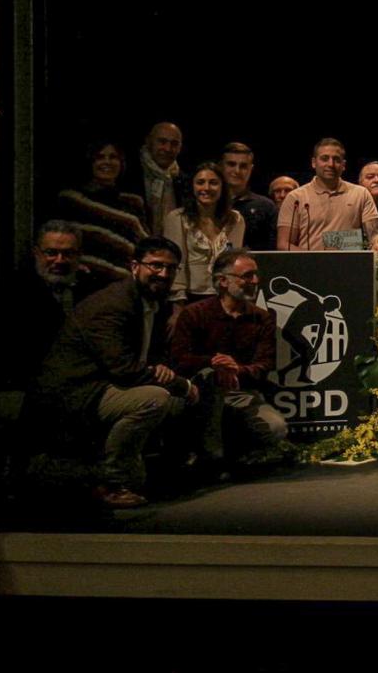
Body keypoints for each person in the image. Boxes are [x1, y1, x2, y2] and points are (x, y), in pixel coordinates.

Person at [35, 236, 195, 508]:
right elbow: (123, 370)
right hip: (74, 392)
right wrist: (182, 385)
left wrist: (164, 371)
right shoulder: (113, 304)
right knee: (156, 398)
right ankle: (111, 481)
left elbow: (146, 357)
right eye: (155, 266)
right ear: (135, 266)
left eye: (171, 268)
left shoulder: (153, 303)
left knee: (178, 398)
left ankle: (159, 471)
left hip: (105, 385)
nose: (163, 274)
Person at [166, 248, 292, 468]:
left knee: (276, 427)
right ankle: (211, 461)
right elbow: (179, 359)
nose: (255, 281)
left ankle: (233, 452)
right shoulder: (195, 313)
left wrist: (236, 370)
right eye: (246, 276)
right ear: (222, 281)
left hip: (240, 392)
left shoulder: (261, 318)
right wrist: (213, 363)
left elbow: (265, 364)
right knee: (211, 379)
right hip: (199, 393)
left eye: (255, 275)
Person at [0, 220, 103, 419]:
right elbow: (8, 351)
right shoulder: (13, 292)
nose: (60, 260)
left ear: (79, 256)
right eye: (51, 253)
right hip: (20, 385)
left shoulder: (90, 290)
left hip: (77, 385)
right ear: (37, 253)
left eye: (68, 254)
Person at [55, 140, 149, 283]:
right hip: (84, 279)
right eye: (100, 157)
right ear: (90, 162)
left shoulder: (132, 202)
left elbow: (144, 244)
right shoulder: (72, 200)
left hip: (125, 283)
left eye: (113, 157)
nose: (107, 162)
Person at [161, 160, 245, 313]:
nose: (206, 188)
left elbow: (233, 264)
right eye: (200, 182)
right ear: (192, 186)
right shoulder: (177, 218)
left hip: (223, 298)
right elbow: (176, 264)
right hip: (188, 299)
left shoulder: (235, 220)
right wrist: (178, 305)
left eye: (213, 183)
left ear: (222, 187)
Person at [276, 139, 378, 252]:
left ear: (343, 165)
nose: (331, 164)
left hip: (349, 266)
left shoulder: (361, 194)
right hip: (308, 267)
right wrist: (315, 260)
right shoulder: (295, 198)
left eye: (336, 159)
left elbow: (375, 234)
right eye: (324, 158)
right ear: (314, 162)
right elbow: (284, 244)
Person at [118, 121, 189, 233]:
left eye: (174, 144)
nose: (167, 149)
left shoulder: (184, 181)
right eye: (162, 142)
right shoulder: (127, 174)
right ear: (148, 141)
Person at [219, 142, 278, 251]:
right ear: (221, 166)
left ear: (251, 168)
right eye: (231, 164)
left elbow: (271, 252)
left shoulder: (266, 207)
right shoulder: (209, 204)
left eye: (243, 166)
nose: (237, 171)